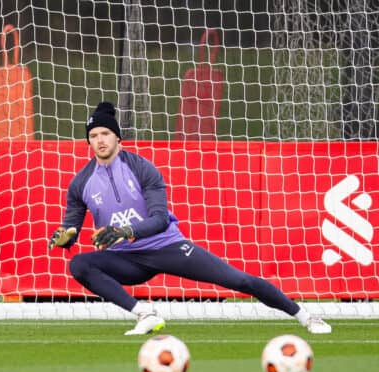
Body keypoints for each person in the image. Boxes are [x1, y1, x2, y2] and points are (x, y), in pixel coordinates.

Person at [48, 101, 332, 336]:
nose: (99, 140)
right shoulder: (80, 183)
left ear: (117, 137)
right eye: (94, 135)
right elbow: (71, 225)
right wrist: (65, 236)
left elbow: (160, 219)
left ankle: (306, 317)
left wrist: (125, 230)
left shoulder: (143, 168)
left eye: (105, 134)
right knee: (80, 264)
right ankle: (144, 313)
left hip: (167, 247)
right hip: (126, 260)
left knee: (239, 280)